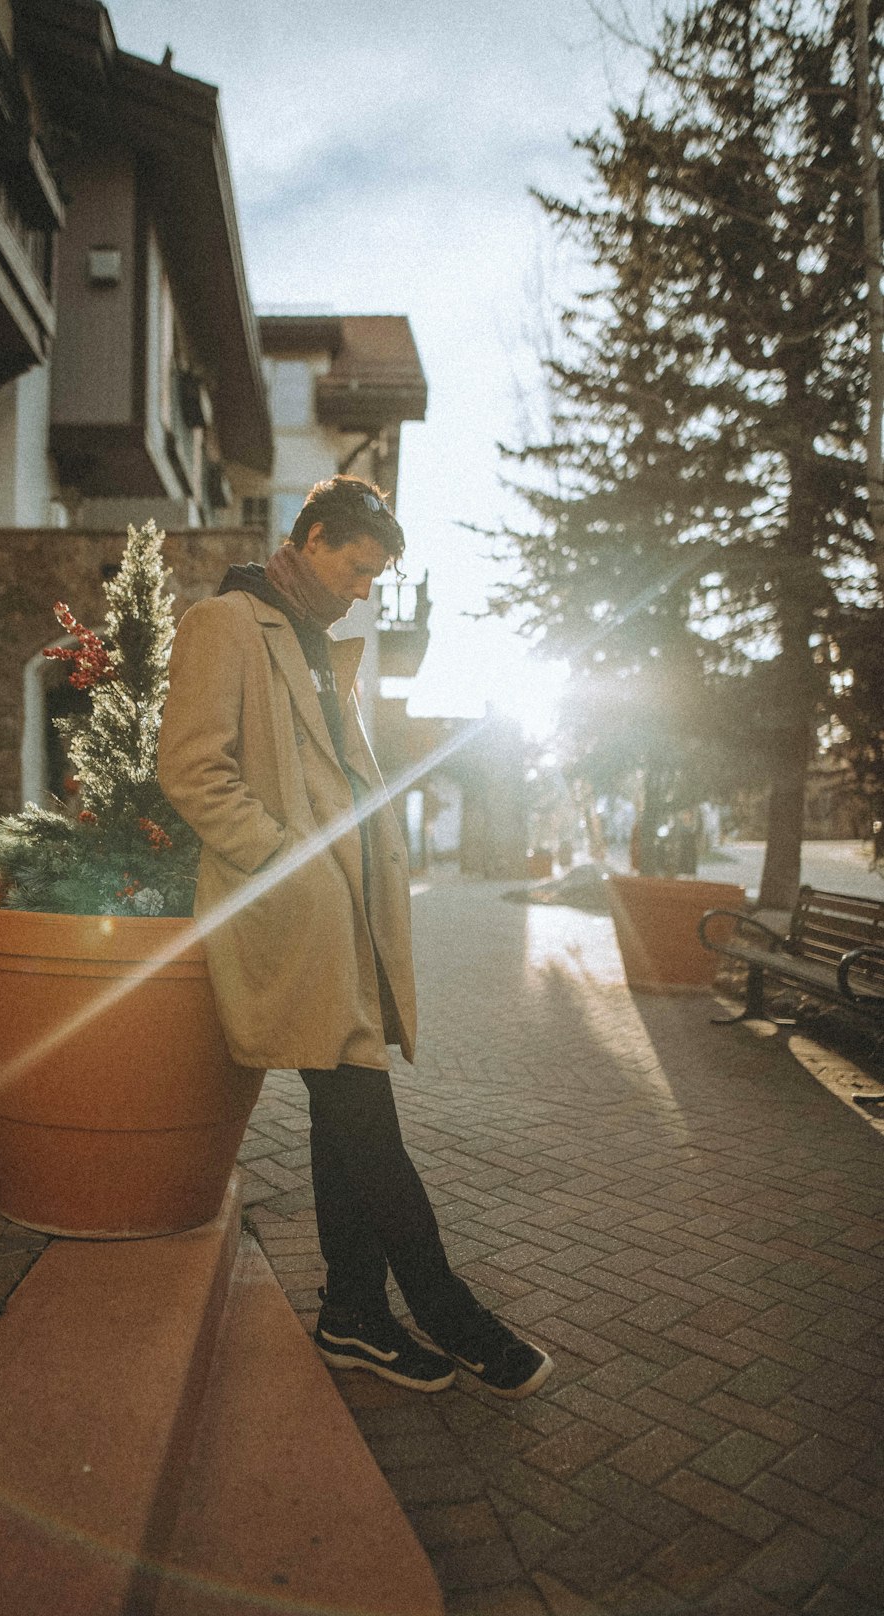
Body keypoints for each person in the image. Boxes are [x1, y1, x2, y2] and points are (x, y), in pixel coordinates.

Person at [158, 475, 553, 1398]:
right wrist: (285, 860)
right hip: (292, 914)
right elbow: (191, 767)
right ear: (314, 537)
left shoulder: (316, 640)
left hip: (350, 919)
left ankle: (355, 1317)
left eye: (379, 574)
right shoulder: (227, 625)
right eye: (360, 566)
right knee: (364, 1124)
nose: (366, 588)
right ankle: (448, 1312)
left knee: (348, 1121)